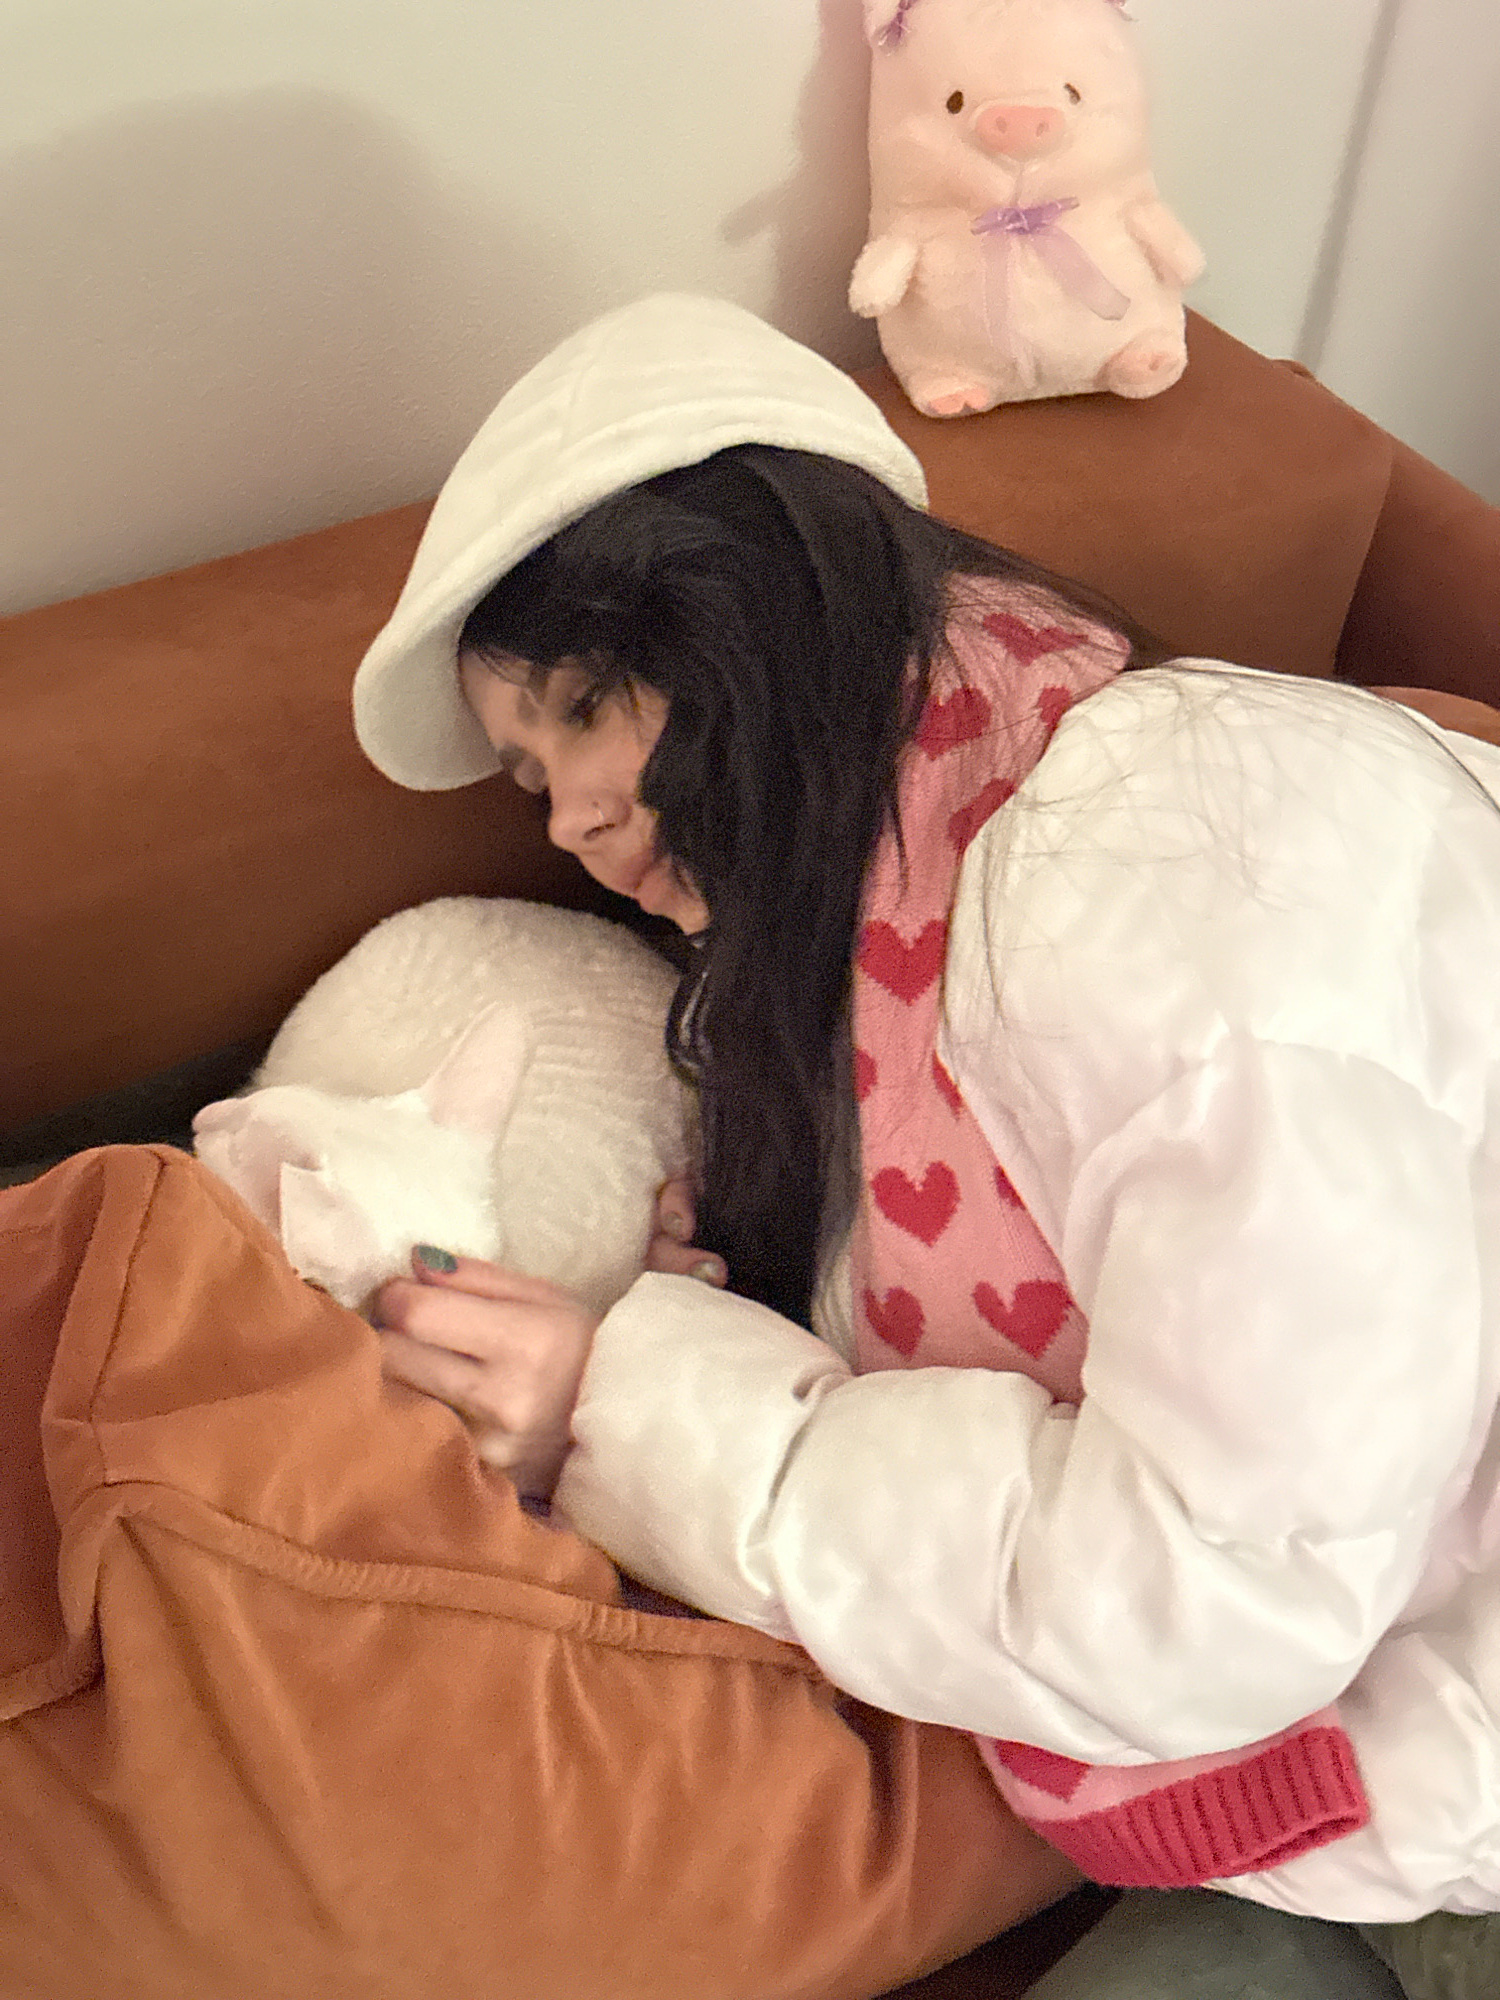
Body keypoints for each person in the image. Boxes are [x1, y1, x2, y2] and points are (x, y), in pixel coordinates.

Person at [351, 293, 1500, 1982]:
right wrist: (758, 1305)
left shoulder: (1151, 865)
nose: (573, 820)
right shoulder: (889, 938)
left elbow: (1219, 1600)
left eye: (586, 708)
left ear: (765, 599)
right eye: (529, 781)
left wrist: (635, 1407)